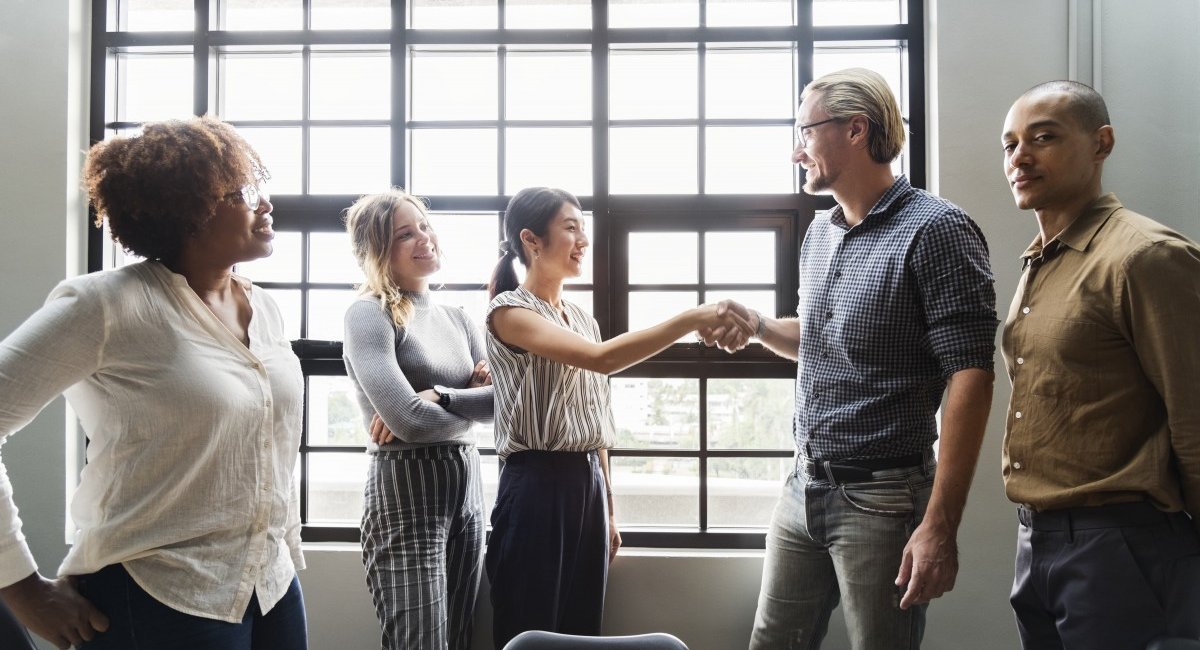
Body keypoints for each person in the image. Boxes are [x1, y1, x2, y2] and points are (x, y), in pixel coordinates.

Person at [704, 68, 998, 649]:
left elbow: (972, 374)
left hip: (884, 498)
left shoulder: (936, 229)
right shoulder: (821, 233)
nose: (796, 151)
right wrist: (759, 325)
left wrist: (939, 524)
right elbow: (817, 336)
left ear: (856, 130)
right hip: (802, 487)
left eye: (805, 131)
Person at [0, 116, 307, 649]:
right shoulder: (105, 304)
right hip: (157, 592)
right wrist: (20, 588)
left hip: (270, 583)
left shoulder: (267, 309)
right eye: (239, 193)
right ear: (189, 212)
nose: (264, 203)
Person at [484, 187, 751, 649]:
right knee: (530, 629)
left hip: (585, 485)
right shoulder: (509, 312)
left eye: (582, 228)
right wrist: (691, 318)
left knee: (582, 628)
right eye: (571, 227)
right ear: (531, 240)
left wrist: (608, 507)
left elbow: (595, 417)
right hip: (535, 488)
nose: (582, 239)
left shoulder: (582, 318)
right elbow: (602, 360)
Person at [999, 80, 1200, 648]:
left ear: (1101, 143)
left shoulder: (1146, 256)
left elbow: (1194, 414)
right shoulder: (1041, 263)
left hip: (1124, 544)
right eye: (1010, 145)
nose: (1021, 157)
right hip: (1038, 543)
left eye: (1043, 138)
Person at [342, 189, 494, 650]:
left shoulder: (459, 318)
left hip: (467, 489)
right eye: (405, 234)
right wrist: (464, 396)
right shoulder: (369, 314)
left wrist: (441, 396)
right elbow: (409, 422)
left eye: (424, 226)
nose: (423, 239)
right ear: (377, 251)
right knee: (419, 643)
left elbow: (503, 406)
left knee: (461, 638)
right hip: (404, 490)